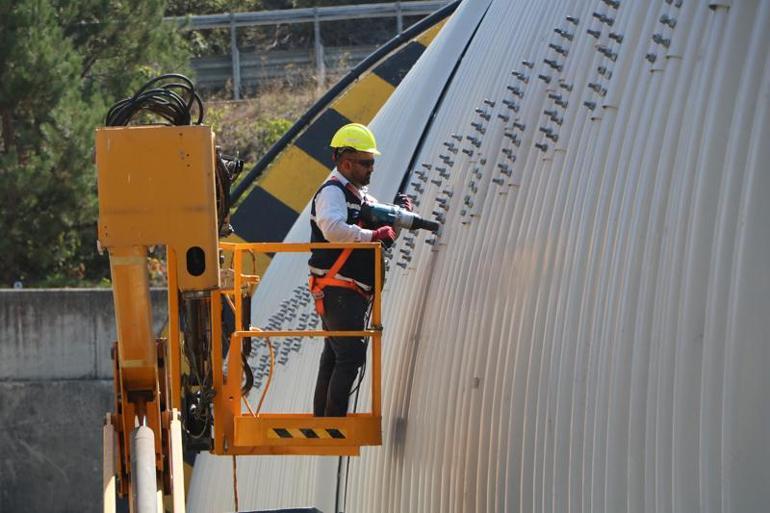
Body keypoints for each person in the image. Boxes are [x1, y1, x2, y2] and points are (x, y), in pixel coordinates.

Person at [308, 123, 412, 417]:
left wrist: (394, 220)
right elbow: (333, 229)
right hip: (339, 289)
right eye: (365, 163)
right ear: (345, 162)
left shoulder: (360, 196)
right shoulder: (332, 193)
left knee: (335, 353)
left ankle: (325, 420)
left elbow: (381, 237)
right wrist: (372, 236)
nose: (371, 168)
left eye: (372, 162)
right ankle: (333, 423)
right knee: (350, 355)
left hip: (344, 291)